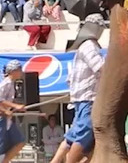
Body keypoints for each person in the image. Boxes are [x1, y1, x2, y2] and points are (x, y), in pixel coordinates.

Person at [52, 14, 107, 163]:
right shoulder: (89, 46)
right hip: (88, 98)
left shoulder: (84, 47)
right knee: (83, 135)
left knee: (72, 136)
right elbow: (100, 67)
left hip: (82, 98)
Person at [0, 61, 27, 163]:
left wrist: (16, 107)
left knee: (20, 142)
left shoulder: (11, 84)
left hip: (7, 119)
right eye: (19, 70)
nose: (21, 72)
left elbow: (7, 100)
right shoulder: (4, 84)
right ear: (13, 71)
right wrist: (15, 106)